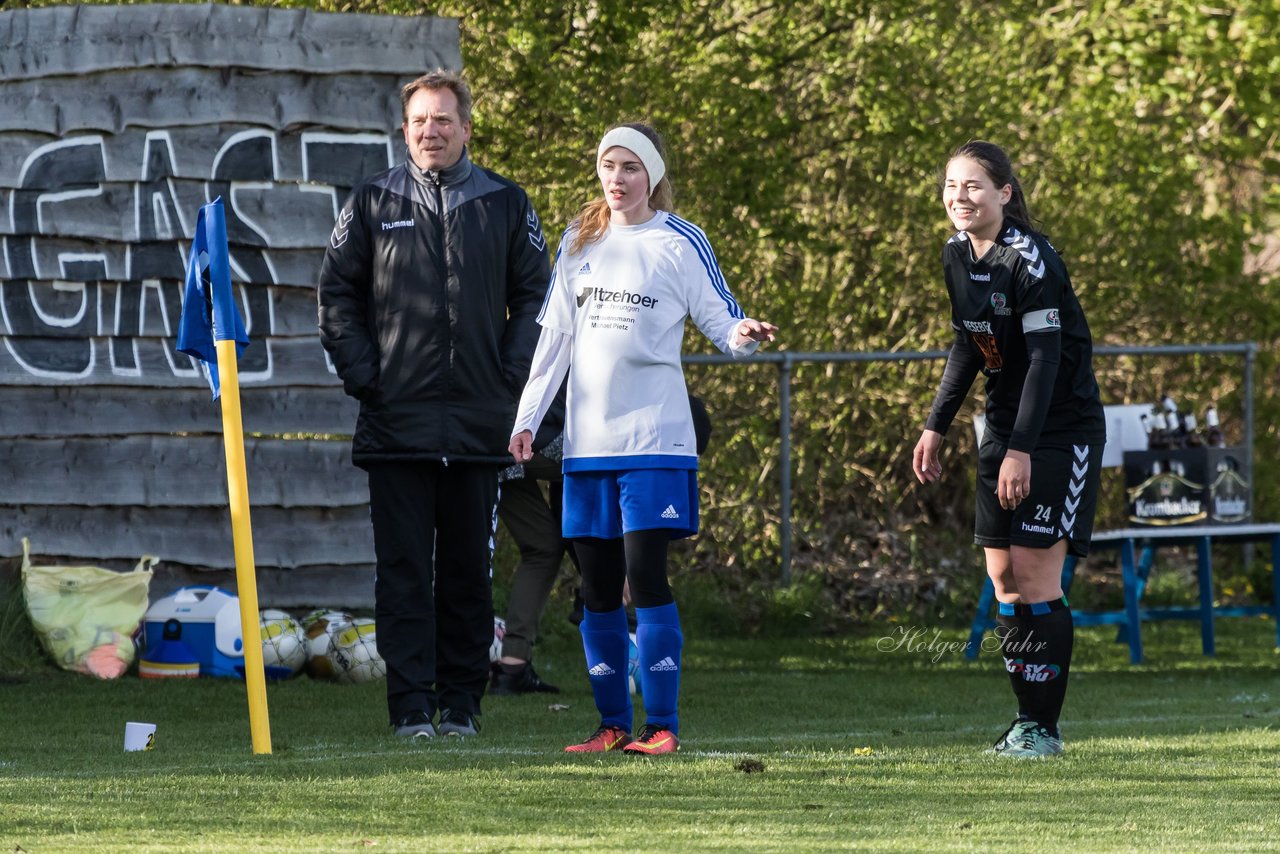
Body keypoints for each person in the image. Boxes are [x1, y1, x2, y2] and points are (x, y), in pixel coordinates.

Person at [509, 122, 778, 755]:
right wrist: (525, 420)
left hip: (654, 442)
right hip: (586, 449)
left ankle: (662, 727)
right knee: (597, 590)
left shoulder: (679, 242)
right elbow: (553, 344)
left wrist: (743, 335)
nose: (617, 178)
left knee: (645, 579)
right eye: (609, 165)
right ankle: (609, 725)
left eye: (631, 167)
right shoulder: (579, 241)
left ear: (652, 175)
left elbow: (720, 318)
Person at [317, 70, 549, 739]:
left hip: (480, 428)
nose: (431, 130)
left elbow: (538, 297)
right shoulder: (370, 201)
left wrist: (510, 380)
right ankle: (411, 708)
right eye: (420, 120)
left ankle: (462, 708)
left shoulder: (506, 203)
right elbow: (336, 295)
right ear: (404, 128)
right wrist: (367, 375)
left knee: (467, 580)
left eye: (444, 119)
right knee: (403, 578)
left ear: (467, 128)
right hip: (397, 427)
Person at [912, 140, 1106, 758]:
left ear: (1004, 193)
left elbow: (1046, 359)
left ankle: (1043, 730)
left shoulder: (1033, 261)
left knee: (1035, 572)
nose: (959, 197)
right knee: (1002, 579)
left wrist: (1022, 450)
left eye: (972, 186)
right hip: (1003, 429)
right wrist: (936, 424)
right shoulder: (954, 255)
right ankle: (1026, 719)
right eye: (950, 185)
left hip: (1059, 431)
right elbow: (969, 345)